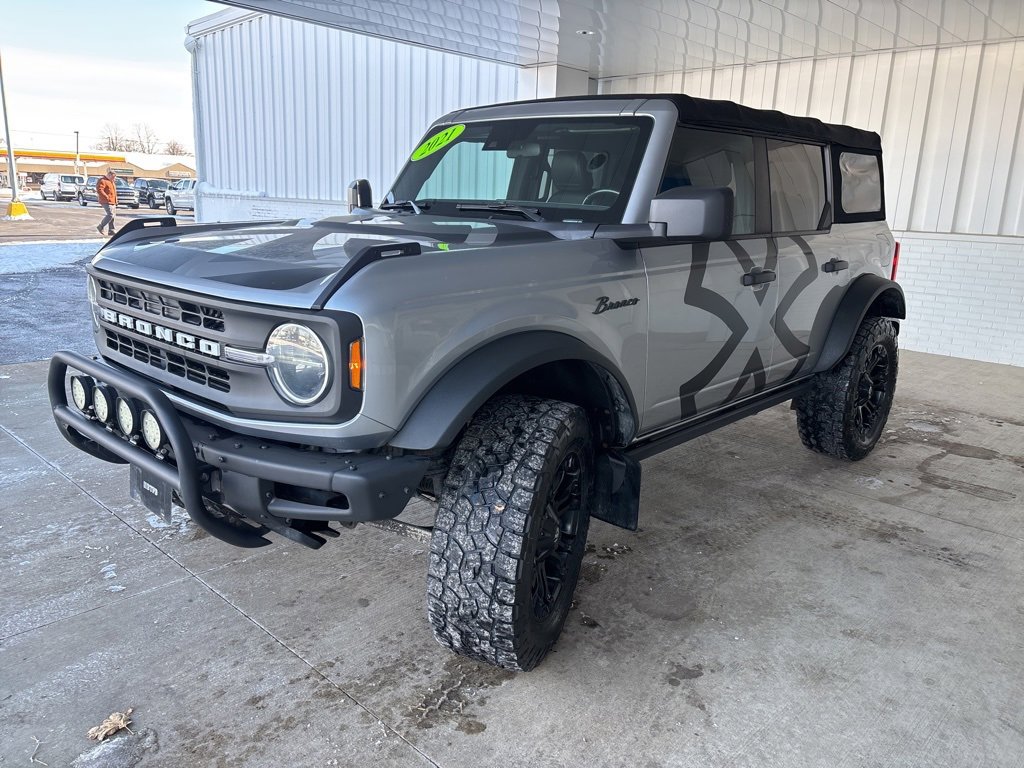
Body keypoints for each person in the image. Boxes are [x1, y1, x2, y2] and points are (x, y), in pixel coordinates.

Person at [96, 170, 118, 236]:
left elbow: (113, 192)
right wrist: (106, 196)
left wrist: (116, 200)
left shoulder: (111, 181)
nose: (114, 178)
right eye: (113, 177)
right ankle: (100, 226)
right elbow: (99, 190)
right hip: (106, 201)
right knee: (110, 214)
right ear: (109, 175)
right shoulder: (102, 180)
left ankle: (111, 230)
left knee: (113, 216)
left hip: (112, 201)